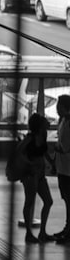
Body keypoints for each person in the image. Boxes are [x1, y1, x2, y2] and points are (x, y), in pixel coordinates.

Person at [21, 112, 55, 244]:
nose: (48, 124)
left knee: (48, 201)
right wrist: (31, 165)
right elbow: (22, 154)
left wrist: (51, 162)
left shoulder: (43, 135)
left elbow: (43, 151)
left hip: (40, 174)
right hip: (30, 175)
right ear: (40, 126)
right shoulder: (30, 139)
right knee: (29, 202)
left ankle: (42, 232)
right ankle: (29, 233)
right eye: (45, 123)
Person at [55, 95, 70, 242]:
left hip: (68, 167)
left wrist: (59, 148)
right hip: (62, 167)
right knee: (66, 198)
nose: (57, 109)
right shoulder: (62, 121)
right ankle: (67, 227)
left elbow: (65, 146)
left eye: (59, 106)